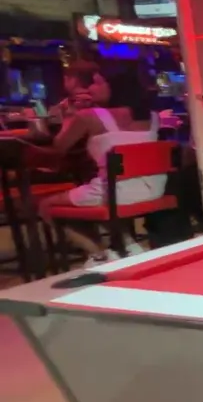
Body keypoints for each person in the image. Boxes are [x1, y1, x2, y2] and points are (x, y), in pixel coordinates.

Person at [38, 67, 167, 266]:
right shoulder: (153, 116)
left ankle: (100, 254)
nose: (90, 88)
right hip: (154, 189)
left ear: (114, 87)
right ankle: (128, 246)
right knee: (95, 197)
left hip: (116, 192)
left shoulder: (89, 116)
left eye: (97, 83)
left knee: (47, 206)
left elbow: (58, 147)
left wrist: (70, 116)